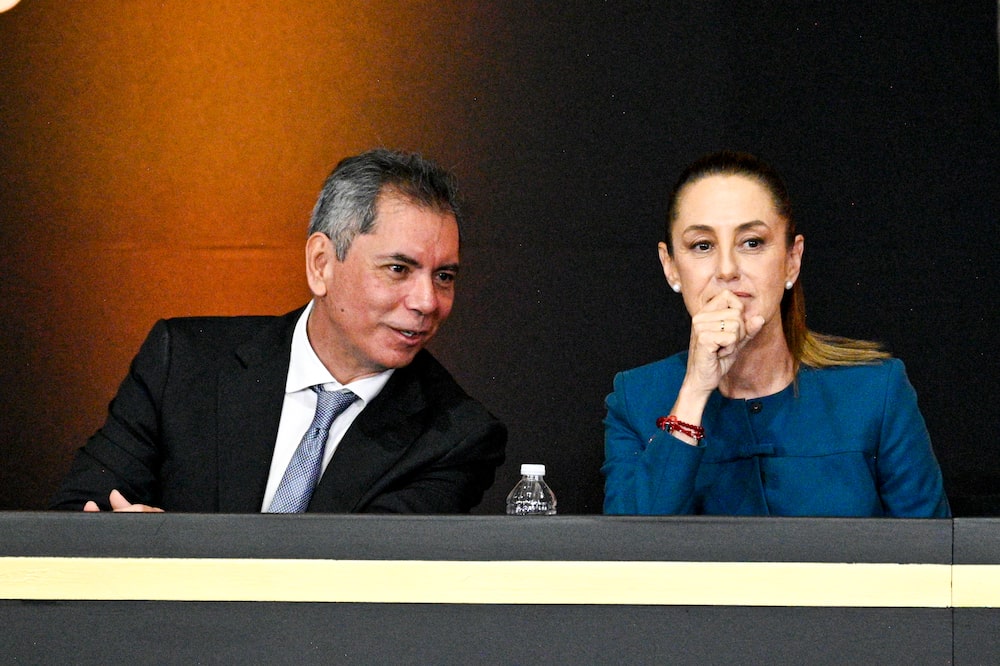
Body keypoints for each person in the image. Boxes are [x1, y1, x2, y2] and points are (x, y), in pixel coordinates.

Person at [51, 148, 506, 513]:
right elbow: (79, 512)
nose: (427, 302)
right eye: (398, 269)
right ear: (321, 264)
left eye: (444, 276)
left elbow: (355, 574)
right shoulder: (183, 363)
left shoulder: (456, 437)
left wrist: (169, 551)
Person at [602, 150, 949, 517]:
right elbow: (628, 547)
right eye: (702, 246)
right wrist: (694, 392)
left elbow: (932, 549)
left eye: (751, 242)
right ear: (671, 267)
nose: (727, 269)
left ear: (792, 260)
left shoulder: (876, 391)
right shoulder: (635, 399)